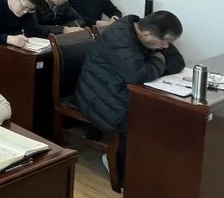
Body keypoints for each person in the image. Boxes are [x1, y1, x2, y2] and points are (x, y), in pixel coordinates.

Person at [75, 11, 184, 182]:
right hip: (98, 93)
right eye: (165, 42)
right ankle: (119, 167)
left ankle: (153, 164)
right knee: (138, 119)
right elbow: (139, 74)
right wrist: (158, 60)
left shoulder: (149, 32)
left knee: (164, 112)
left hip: (120, 89)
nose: (166, 47)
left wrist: (153, 64)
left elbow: (177, 61)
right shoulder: (119, 38)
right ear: (147, 34)